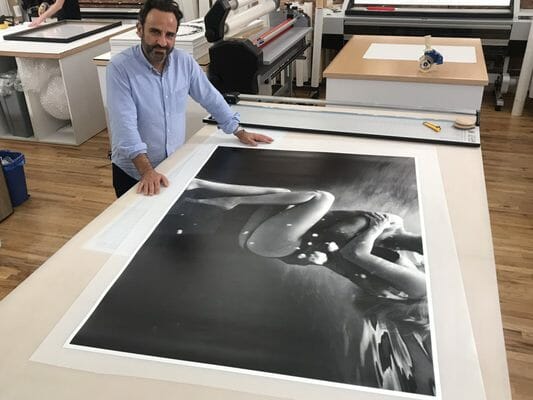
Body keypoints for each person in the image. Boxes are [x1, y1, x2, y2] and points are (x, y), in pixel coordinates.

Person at [107, 0, 272, 197]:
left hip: (172, 165)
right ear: (139, 29)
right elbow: (125, 128)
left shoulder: (183, 62)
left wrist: (238, 130)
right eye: (155, 32)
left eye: (170, 35)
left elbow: (210, 97)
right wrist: (147, 172)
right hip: (134, 172)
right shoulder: (120, 68)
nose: (162, 42)